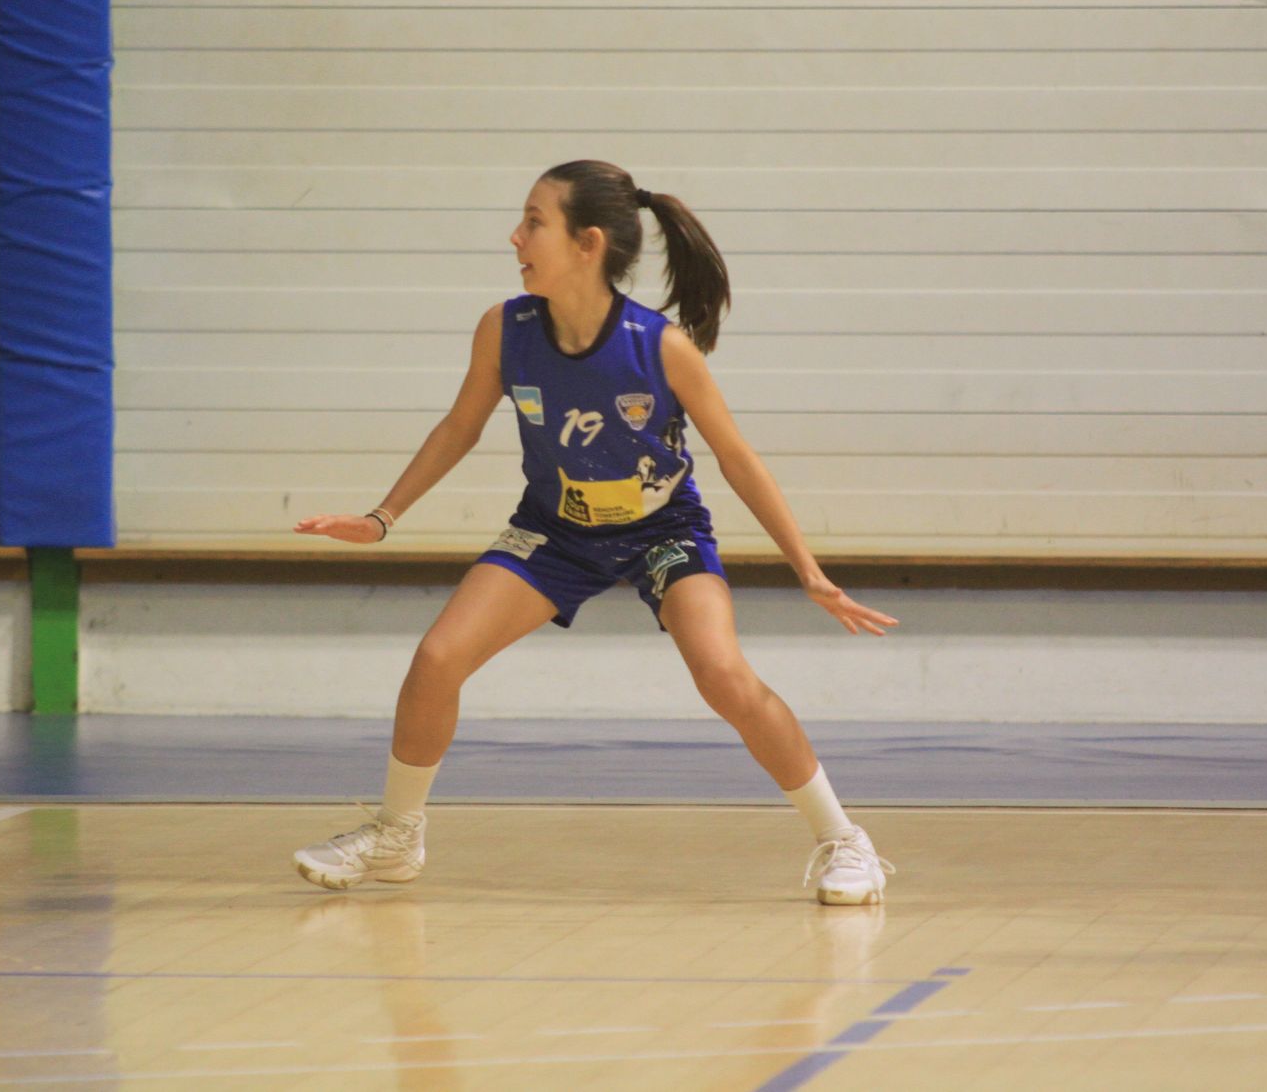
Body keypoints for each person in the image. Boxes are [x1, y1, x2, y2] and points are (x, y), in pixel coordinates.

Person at [291, 160, 899, 904]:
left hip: (662, 532)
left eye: (533, 222)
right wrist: (381, 518)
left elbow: (739, 459)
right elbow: (458, 427)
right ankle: (395, 836)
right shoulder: (506, 328)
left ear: (588, 244)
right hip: (555, 532)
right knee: (437, 658)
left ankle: (845, 840)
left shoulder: (659, 346)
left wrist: (808, 570)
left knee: (723, 675)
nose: (515, 237)